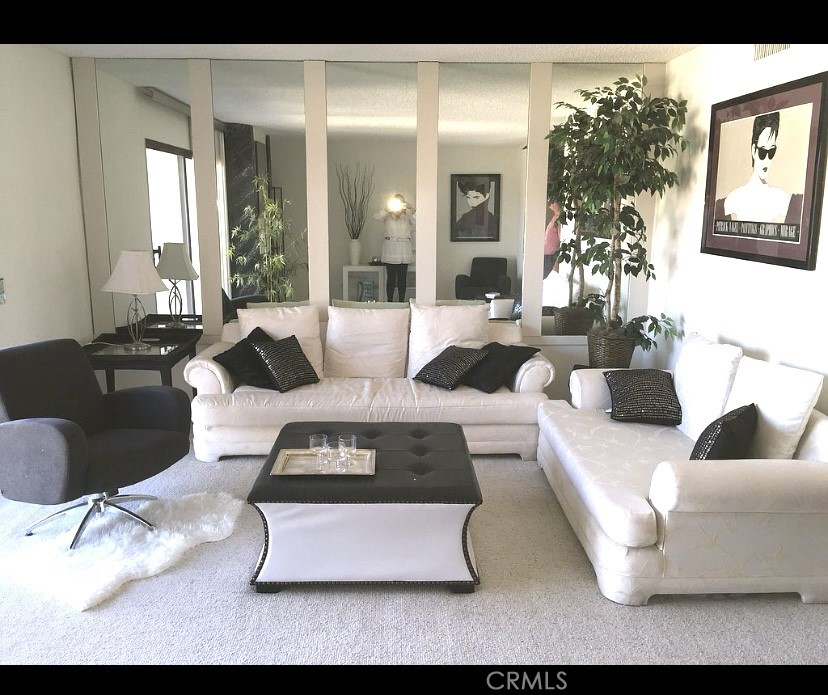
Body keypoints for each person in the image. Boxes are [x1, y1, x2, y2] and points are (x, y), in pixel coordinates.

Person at [721, 111, 801, 224]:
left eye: (771, 151)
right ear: (753, 150)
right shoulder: (733, 199)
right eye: (763, 151)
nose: (767, 159)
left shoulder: (782, 199)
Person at [373, 193, 415, 302]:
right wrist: (387, 208)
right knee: (391, 278)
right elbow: (376, 216)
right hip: (390, 250)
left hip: (403, 251)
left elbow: (419, 221)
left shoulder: (408, 215)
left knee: (402, 279)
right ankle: (390, 302)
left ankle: (402, 302)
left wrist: (412, 209)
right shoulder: (387, 215)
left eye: (400, 202)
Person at [544, 201, 561, 278]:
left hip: (550, 257)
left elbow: (561, 239)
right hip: (545, 256)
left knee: (546, 280)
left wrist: (556, 261)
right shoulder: (555, 217)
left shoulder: (560, 219)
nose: (550, 204)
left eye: (553, 202)